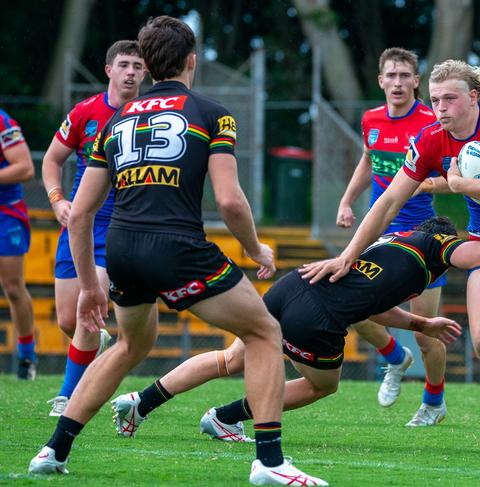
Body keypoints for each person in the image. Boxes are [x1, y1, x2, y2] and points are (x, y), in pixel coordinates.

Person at [28, 16, 327, 486]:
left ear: (146, 66)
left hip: (122, 250)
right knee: (265, 332)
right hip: (177, 248)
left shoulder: (114, 121)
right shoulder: (212, 114)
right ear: (192, 61)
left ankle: (53, 449)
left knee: (131, 345)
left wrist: (90, 286)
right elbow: (229, 200)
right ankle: (270, 463)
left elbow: (80, 214)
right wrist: (255, 249)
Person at [301, 59, 480, 458]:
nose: (440, 108)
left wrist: (458, 183)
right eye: (435, 100)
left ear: (472, 97)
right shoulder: (430, 138)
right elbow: (387, 203)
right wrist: (348, 256)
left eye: (449, 99)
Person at [109, 216, 480, 445]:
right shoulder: (437, 247)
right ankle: (226, 417)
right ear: (443, 239)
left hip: (293, 285)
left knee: (230, 358)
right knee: (324, 385)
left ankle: (141, 403)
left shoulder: (391, 244)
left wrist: (419, 321)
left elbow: (370, 304)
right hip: (315, 317)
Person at [337, 47, 452, 426]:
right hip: (379, 231)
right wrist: (347, 200)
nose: (398, 83)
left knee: (425, 331)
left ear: (416, 81)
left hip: (422, 239)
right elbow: (369, 160)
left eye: (405, 76)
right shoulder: (371, 119)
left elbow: (457, 169)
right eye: (392, 75)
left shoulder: (432, 121)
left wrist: (434, 182)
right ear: (381, 80)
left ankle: (434, 401)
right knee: (350, 306)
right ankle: (392, 357)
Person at [42, 40, 146, 416]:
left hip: (120, 224)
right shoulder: (85, 112)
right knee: (68, 320)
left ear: (146, 72)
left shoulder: (147, 115)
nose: (131, 72)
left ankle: (68, 396)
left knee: (92, 304)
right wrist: (57, 200)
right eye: (124, 64)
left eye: (138, 65)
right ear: (109, 69)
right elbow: (52, 159)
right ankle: (94, 346)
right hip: (79, 224)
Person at [0, 109, 36, 379]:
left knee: (13, 287)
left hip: (6, 213)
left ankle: (26, 358)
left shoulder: (3, 122)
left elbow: (25, 167)